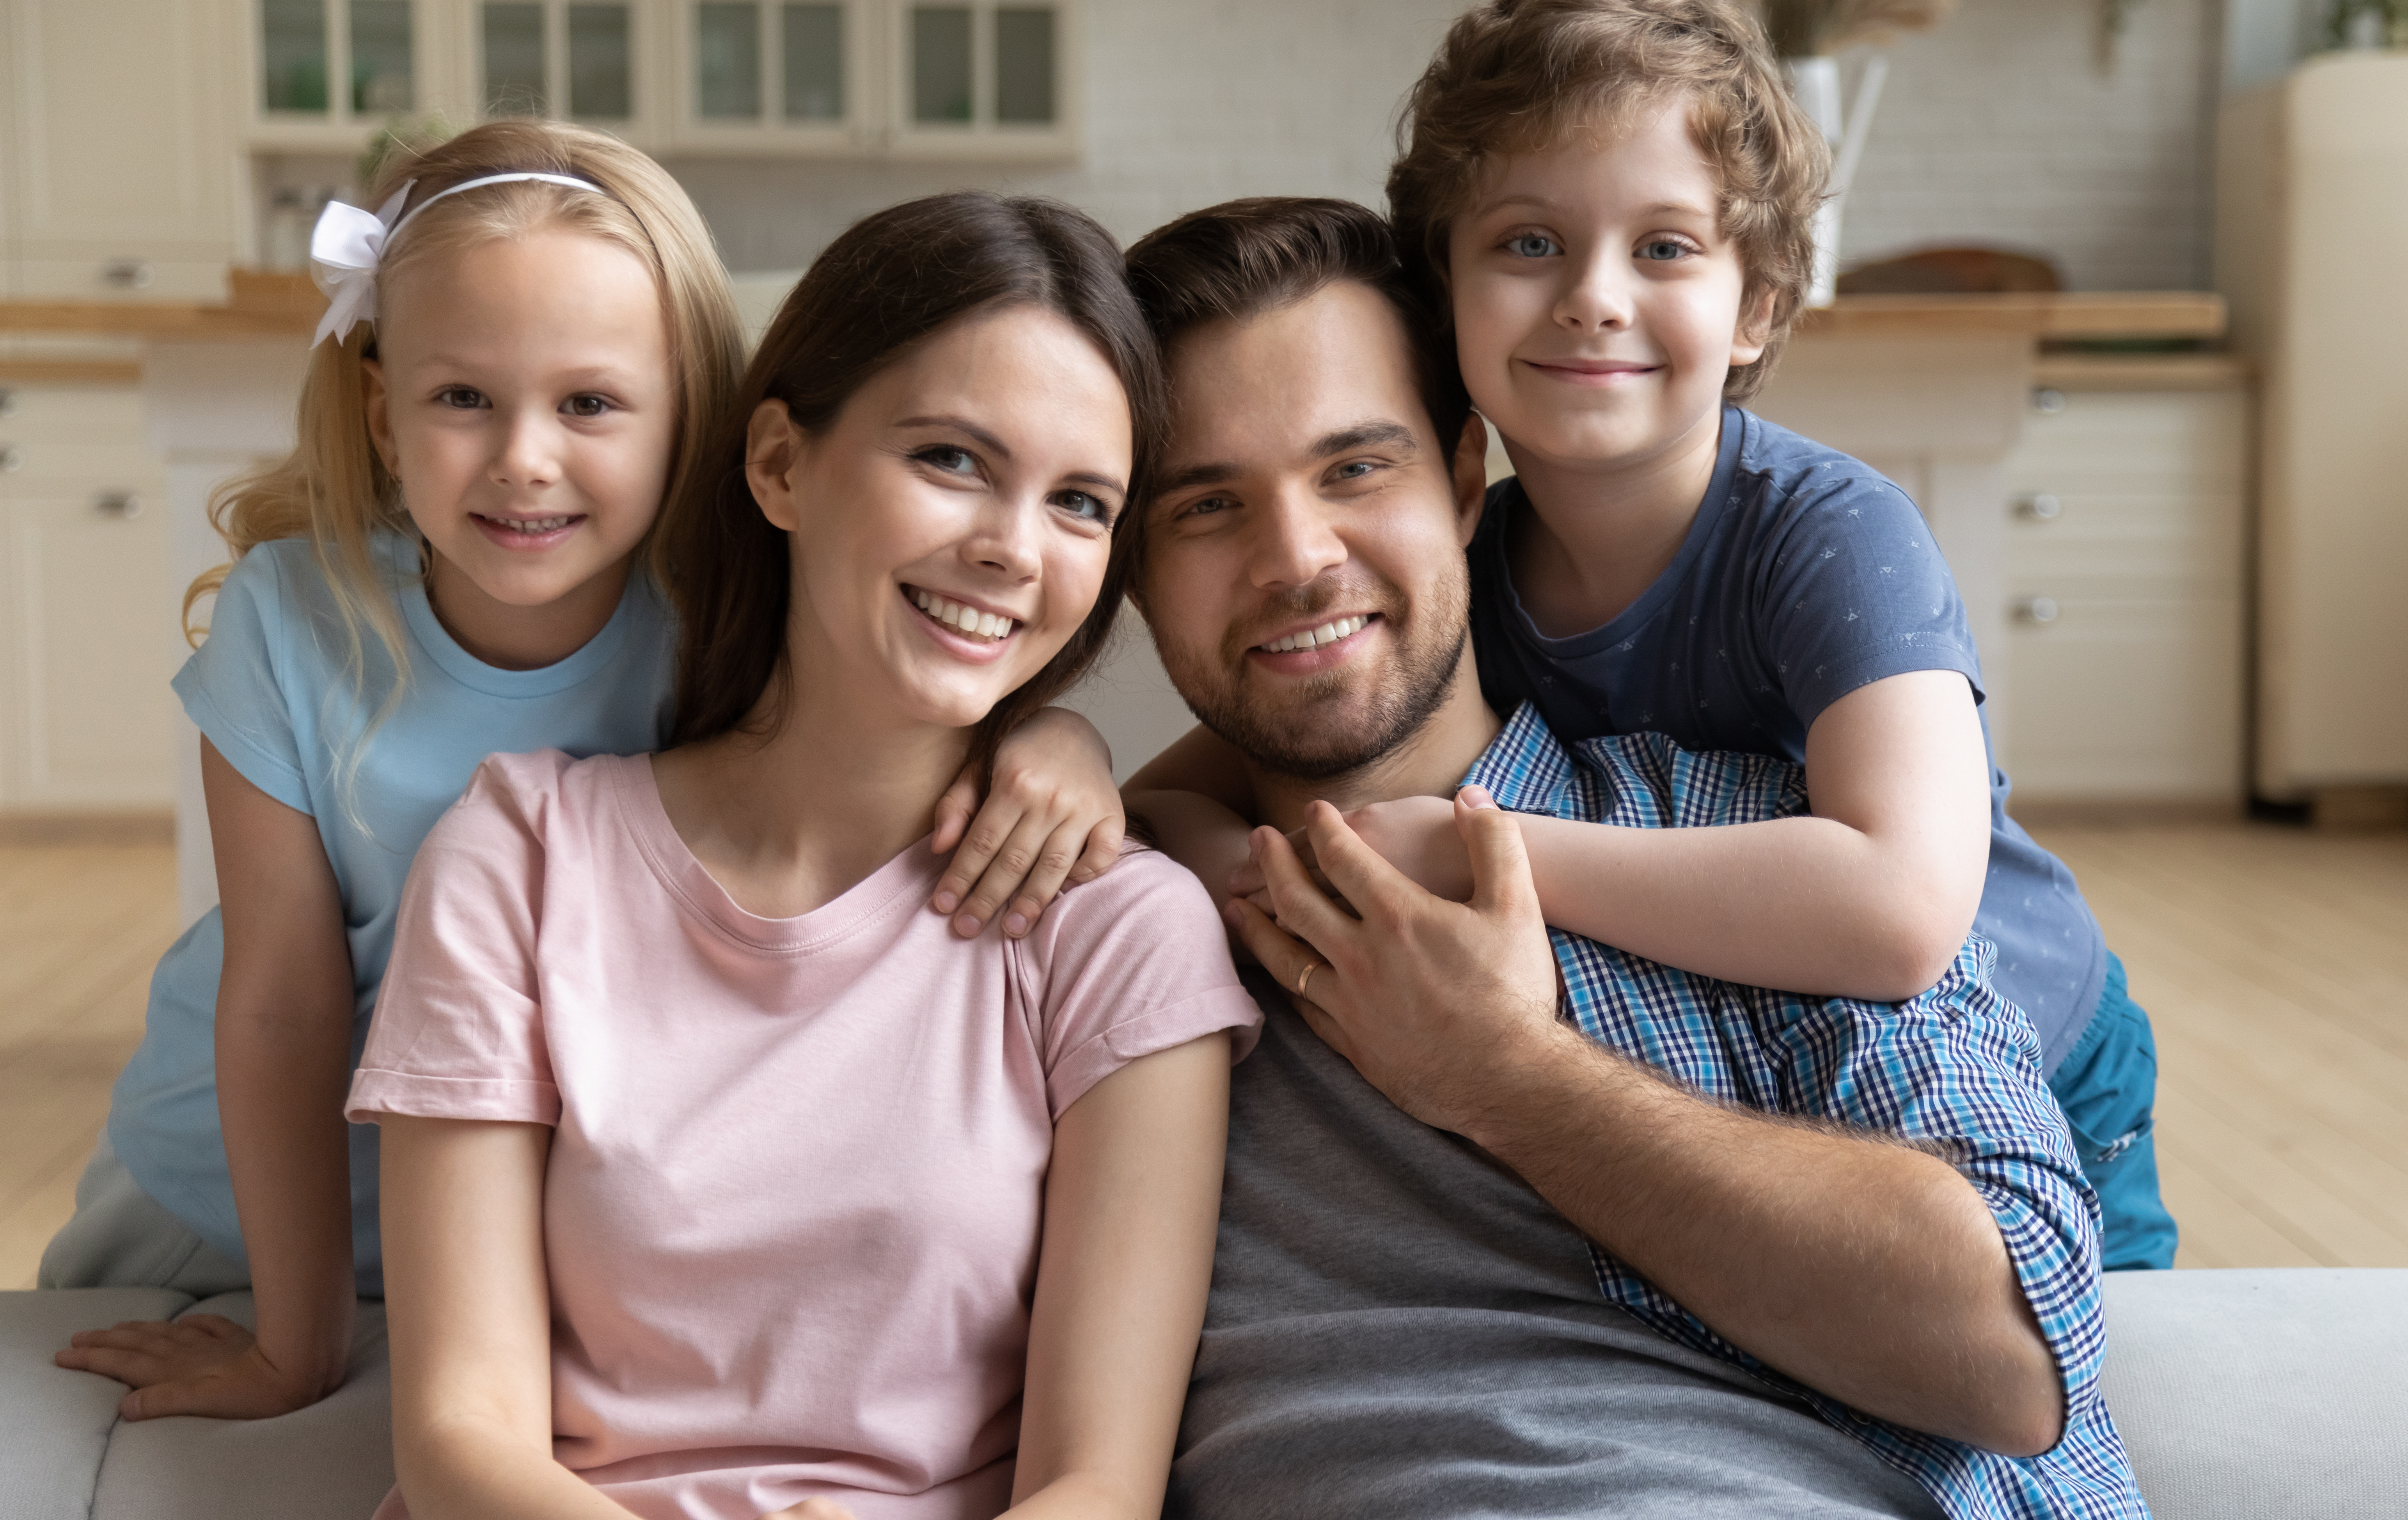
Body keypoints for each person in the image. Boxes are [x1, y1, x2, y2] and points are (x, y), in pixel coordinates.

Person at [43, 124, 1125, 1425]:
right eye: (462, 399)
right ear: (384, 416)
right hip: (231, 1203)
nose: (525, 458)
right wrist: (296, 1339)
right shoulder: (292, 619)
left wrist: (1056, 737)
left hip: (548, 1228)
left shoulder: (718, 620)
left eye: (592, 403)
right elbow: (281, 999)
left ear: (691, 418)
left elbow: (899, 718)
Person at [1120, 196, 2147, 1518]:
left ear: (1461, 477)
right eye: (1207, 505)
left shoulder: (1746, 847)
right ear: (1131, 573)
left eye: (1357, 469)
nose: (1299, 559)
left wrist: (1508, 1077)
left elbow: (2018, 1353)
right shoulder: (1082, 924)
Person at [1152, 0, 2176, 1271]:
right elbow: (1206, 780)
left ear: (1754, 305)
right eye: (1529, 243)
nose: (1593, 295)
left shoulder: (1828, 535)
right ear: (1444, 290)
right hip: (1792, 1079)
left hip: (2035, 1057)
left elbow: (1900, 906)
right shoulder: (1471, 556)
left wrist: (1490, 850)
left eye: (1666, 247)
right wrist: (1113, 794)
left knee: (2093, 1380)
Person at [346, 192, 1262, 1519]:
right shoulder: (522, 855)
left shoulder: (1119, 932)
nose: (1012, 545)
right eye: (951, 458)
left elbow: (1096, 1486)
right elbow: (456, 1433)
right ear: (779, 465)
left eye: (1079, 501)